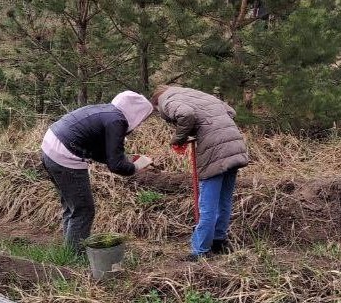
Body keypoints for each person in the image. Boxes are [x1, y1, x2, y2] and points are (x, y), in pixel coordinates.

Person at [41, 91, 154, 252]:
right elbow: (116, 165)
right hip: (64, 156)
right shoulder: (117, 121)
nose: (140, 123)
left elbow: (101, 153)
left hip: (49, 149)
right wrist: (136, 166)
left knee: (71, 207)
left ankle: (68, 251)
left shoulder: (105, 112)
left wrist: (126, 160)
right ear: (135, 113)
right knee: (83, 210)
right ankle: (75, 256)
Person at [151, 85, 249, 260]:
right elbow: (230, 112)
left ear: (157, 102)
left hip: (214, 152)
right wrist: (206, 127)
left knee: (207, 204)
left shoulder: (167, 100)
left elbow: (187, 115)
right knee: (224, 199)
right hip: (235, 145)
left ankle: (201, 250)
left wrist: (178, 139)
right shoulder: (197, 95)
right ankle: (219, 241)